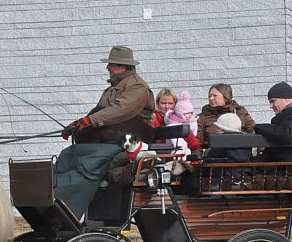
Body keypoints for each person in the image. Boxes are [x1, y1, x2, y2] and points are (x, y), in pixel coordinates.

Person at [55, 45, 155, 219]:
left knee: (88, 162)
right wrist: (75, 127)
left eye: (111, 64)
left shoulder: (138, 88)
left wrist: (89, 121)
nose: (107, 67)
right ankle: (55, 198)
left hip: (125, 144)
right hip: (106, 141)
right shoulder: (112, 89)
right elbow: (97, 112)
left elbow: (120, 110)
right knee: (68, 154)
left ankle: (67, 211)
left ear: (122, 67)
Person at [196, 83, 256, 147]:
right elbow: (197, 142)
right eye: (209, 96)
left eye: (215, 95)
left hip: (239, 152)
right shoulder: (203, 116)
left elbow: (254, 131)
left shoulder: (240, 112)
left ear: (226, 97)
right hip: (213, 154)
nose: (211, 98)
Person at [162, 90, 200, 156]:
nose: (167, 107)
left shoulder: (189, 123)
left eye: (170, 103)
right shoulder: (153, 119)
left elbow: (195, 144)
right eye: (163, 103)